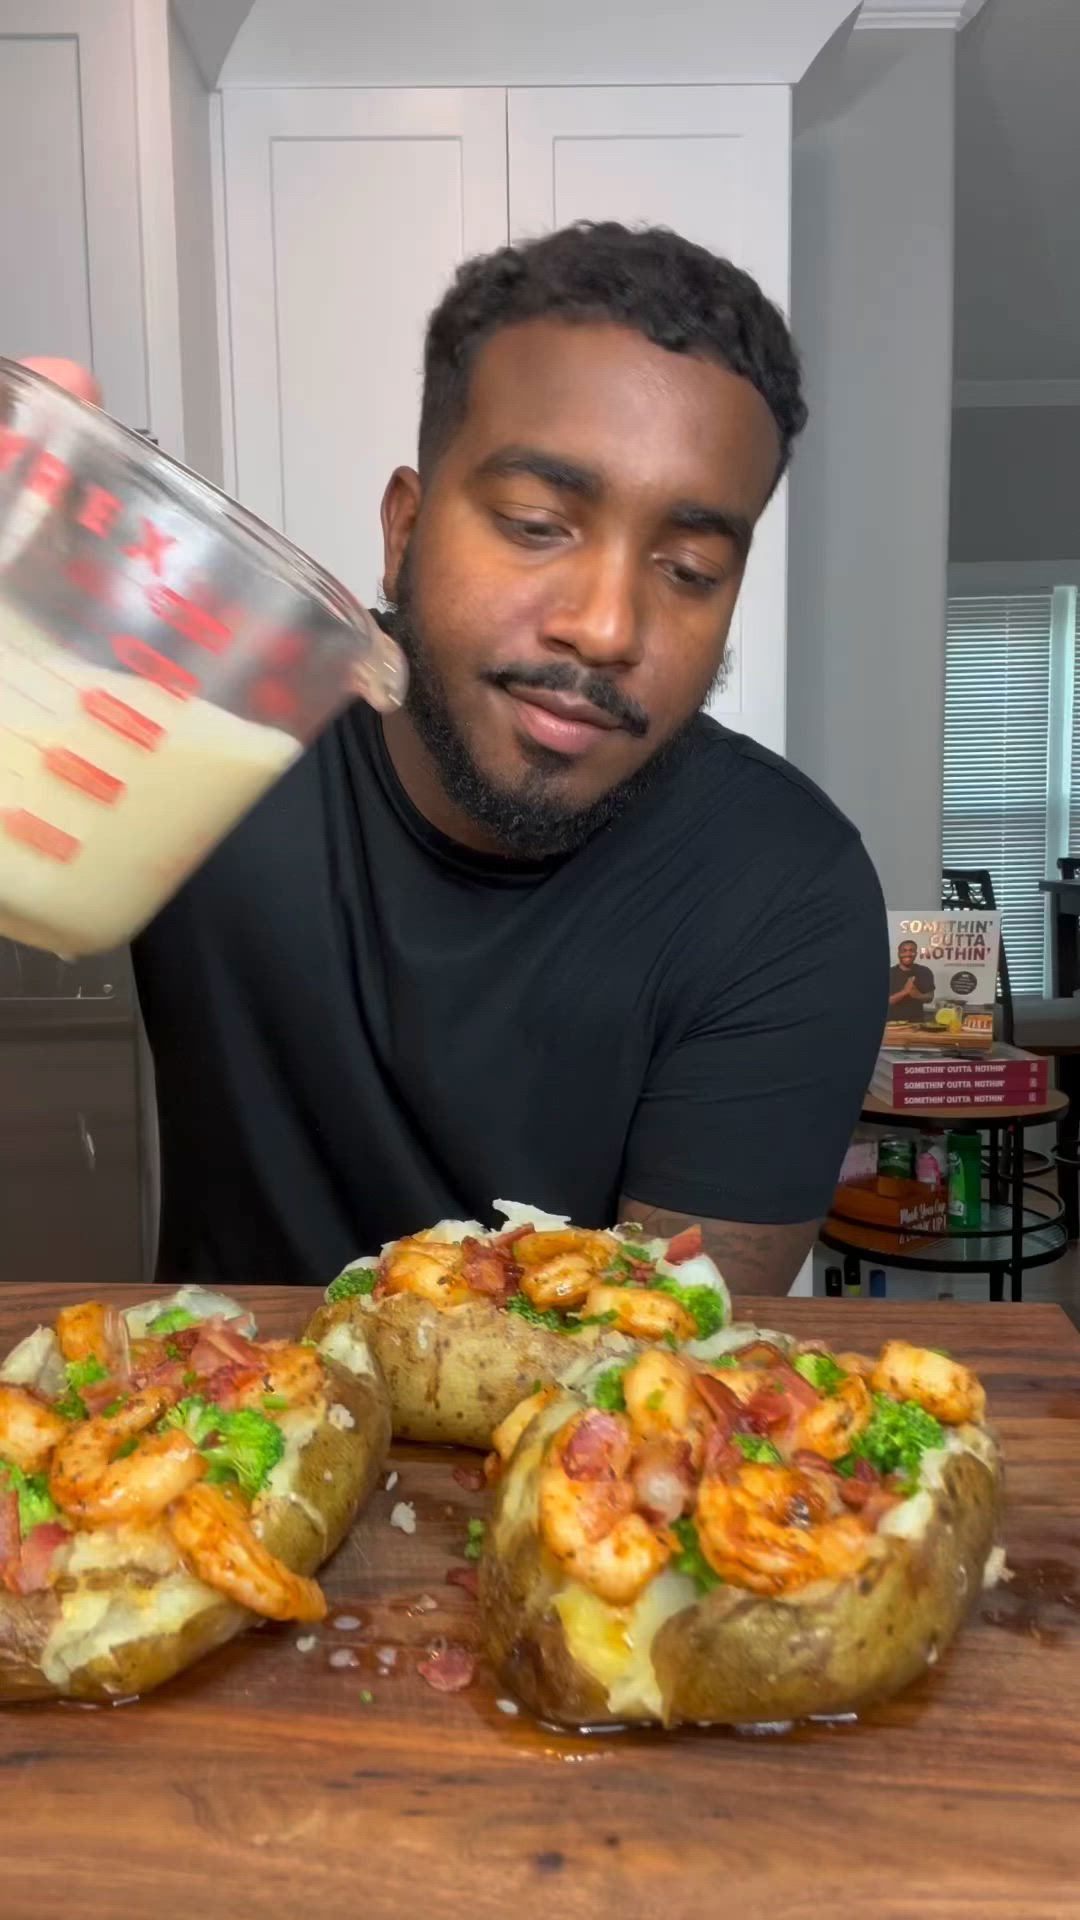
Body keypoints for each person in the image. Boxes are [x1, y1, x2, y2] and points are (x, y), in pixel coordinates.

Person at [25, 221, 887, 1295]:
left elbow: (662, 1388)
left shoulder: (787, 891)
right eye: (536, 523)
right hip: (219, 1432)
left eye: (690, 568)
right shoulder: (203, 739)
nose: (609, 625)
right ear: (404, 530)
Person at [888, 939, 936, 1024]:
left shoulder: (924, 971)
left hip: (917, 1023)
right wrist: (905, 992)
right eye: (904, 950)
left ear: (916, 953)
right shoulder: (889, 973)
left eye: (911, 950)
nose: (908, 954)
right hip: (892, 1024)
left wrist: (918, 995)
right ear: (898, 953)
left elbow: (930, 997)